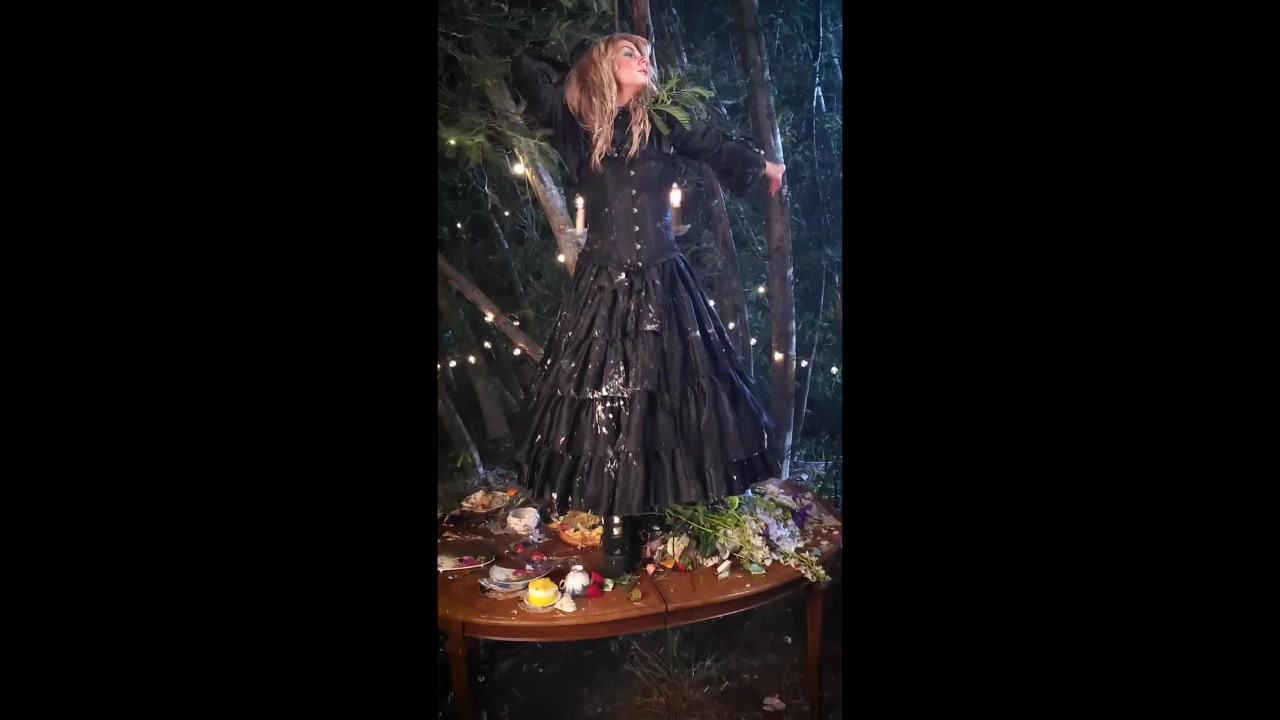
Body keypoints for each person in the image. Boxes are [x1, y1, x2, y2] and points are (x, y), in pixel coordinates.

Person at [509, 34, 785, 546]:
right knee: (608, 395)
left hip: (665, 278)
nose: (644, 62)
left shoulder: (661, 122)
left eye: (647, 57)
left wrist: (763, 165)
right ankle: (619, 516)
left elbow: (713, 144)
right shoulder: (576, 124)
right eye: (630, 54)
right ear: (603, 64)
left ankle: (663, 501)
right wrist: (591, 53)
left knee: (669, 387)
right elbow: (525, 62)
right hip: (603, 286)